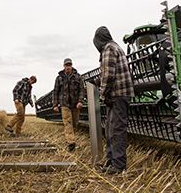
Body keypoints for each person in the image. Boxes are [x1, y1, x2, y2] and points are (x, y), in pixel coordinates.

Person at [92, 26, 135, 175]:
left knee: (117, 130)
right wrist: (97, 81)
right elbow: (109, 73)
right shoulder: (114, 47)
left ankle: (119, 164)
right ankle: (110, 160)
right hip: (116, 94)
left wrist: (103, 95)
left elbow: (109, 75)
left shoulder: (109, 49)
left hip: (118, 95)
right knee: (110, 129)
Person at [52, 58, 85, 151]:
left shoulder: (78, 77)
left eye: (69, 65)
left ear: (72, 66)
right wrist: (55, 104)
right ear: (64, 66)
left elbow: (82, 90)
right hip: (64, 103)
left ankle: (70, 138)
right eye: (66, 65)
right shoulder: (59, 78)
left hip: (75, 104)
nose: (68, 67)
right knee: (67, 122)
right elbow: (55, 91)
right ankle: (70, 141)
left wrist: (80, 101)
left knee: (74, 123)